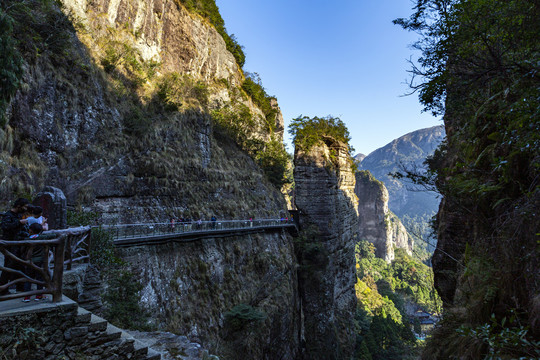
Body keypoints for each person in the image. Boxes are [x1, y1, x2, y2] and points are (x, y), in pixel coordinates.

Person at [0, 198, 30, 295]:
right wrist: (19, 223)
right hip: (9, 244)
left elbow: (20, 230)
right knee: (8, 266)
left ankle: (20, 287)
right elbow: (5, 227)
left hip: (18, 244)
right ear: (19, 206)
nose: (26, 209)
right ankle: (2, 289)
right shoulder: (8, 215)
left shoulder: (19, 215)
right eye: (24, 206)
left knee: (20, 266)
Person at [23, 223, 46, 302]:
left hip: (29, 261)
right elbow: (53, 235)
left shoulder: (27, 240)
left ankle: (26, 297)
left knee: (28, 278)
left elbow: (23, 249)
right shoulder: (42, 238)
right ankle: (39, 295)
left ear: (31, 231)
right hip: (39, 261)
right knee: (39, 278)